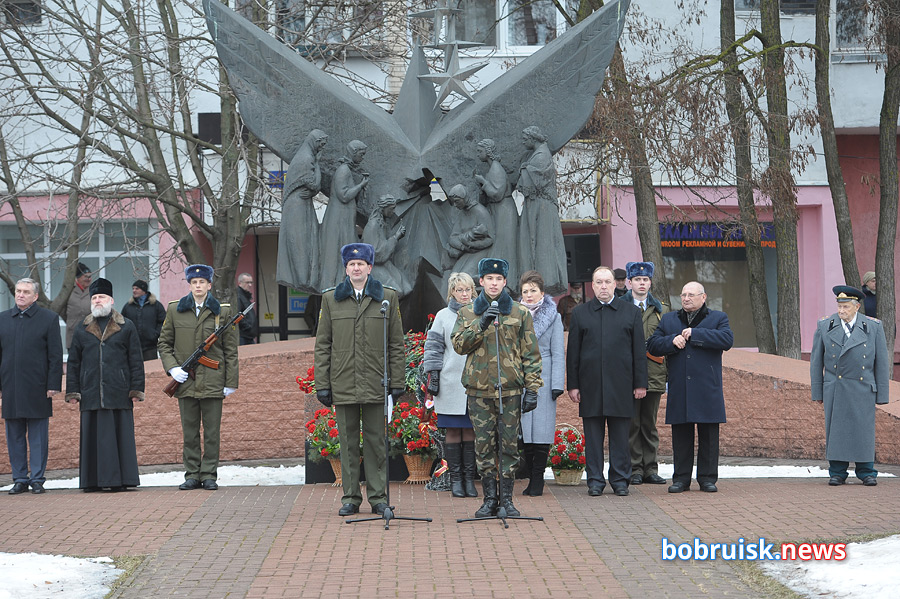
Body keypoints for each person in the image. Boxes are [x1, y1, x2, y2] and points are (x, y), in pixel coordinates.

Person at [314, 243, 405, 516]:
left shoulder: (387, 298)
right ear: (346, 269)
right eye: (351, 265)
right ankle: (351, 498)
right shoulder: (331, 299)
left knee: (378, 443)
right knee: (348, 442)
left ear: (369, 267)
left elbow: (396, 343)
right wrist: (323, 383)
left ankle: (378, 498)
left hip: (377, 382)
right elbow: (323, 344)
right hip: (343, 382)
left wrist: (397, 381)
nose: (356, 268)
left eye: (361, 264)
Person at [451, 258, 542, 518]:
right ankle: (490, 499)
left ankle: (507, 500)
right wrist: (480, 325)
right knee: (484, 447)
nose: (493, 283)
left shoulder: (519, 312)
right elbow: (458, 345)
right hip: (479, 393)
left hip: (510, 391)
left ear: (504, 282)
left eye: (498, 279)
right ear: (481, 282)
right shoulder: (468, 313)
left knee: (510, 447)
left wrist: (532, 388)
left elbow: (531, 354)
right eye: (488, 279)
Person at [566, 266, 647, 497]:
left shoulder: (630, 312)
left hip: (621, 385)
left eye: (607, 282)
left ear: (616, 284)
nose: (603, 286)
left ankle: (621, 480)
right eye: (599, 282)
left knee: (621, 437)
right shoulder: (581, 313)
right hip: (590, 385)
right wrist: (573, 385)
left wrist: (640, 383)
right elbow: (574, 352)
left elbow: (638, 351)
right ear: (592, 285)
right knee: (592, 437)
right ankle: (595, 481)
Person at [158, 264, 239, 491]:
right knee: (190, 432)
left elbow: (231, 349)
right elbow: (164, 344)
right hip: (186, 381)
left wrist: (231, 382)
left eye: (202, 282)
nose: (198, 286)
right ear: (189, 285)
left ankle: (209, 474)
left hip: (213, 379)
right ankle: (192, 474)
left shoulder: (221, 311)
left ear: (209, 285)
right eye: (194, 283)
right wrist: (173, 369)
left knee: (212, 433)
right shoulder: (175, 310)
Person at [647, 281, 733, 494]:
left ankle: (707, 479)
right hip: (681, 387)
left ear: (703, 297)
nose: (686, 298)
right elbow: (652, 344)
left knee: (709, 436)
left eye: (691, 295)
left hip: (707, 387)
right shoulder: (668, 319)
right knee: (681, 436)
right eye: (683, 294)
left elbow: (726, 340)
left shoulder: (718, 318)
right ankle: (681, 479)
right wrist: (671, 341)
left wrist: (697, 334)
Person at [65, 278, 144, 492]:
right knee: (93, 439)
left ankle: (121, 480)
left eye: (101, 297)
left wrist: (137, 389)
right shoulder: (82, 328)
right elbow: (73, 363)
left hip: (119, 391)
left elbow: (135, 360)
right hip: (90, 391)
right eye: (94, 297)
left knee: (120, 438)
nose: (98, 300)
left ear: (111, 300)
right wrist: (72, 390)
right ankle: (92, 481)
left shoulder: (126, 326)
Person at [810, 285, 889, 487]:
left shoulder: (873, 327)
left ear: (856, 307)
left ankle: (866, 472)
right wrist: (817, 391)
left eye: (845, 307)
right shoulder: (825, 326)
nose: (841, 311)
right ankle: (837, 471)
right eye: (839, 306)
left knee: (863, 430)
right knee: (835, 431)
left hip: (863, 388)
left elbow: (881, 362)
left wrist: (882, 394)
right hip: (835, 388)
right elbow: (816, 362)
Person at [0, 278, 63, 495]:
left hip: (38, 386)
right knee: (14, 436)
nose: (20, 295)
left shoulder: (49, 319)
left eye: (26, 292)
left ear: (35, 296)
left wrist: (53, 384)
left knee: (37, 437)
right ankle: (19, 479)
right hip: (10, 387)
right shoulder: (3, 319)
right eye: (18, 291)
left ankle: (37, 479)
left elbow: (55, 356)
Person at [422, 272, 479, 498]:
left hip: (476, 381)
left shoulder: (481, 313)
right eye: (459, 290)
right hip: (450, 382)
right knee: (454, 430)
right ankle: (456, 480)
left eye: (467, 290)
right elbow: (434, 347)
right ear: (452, 292)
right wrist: (433, 376)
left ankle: (469, 480)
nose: (464, 294)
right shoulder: (443, 316)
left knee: (472, 430)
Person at [621, 261, 669, 486]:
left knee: (649, 424)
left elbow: (668, 343)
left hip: (654, 373)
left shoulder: (662, 309)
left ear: (650, 282)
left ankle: (651, 468)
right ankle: (635, 468)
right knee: (632, 424)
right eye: (637, 279)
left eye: (645, 279)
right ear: (629, 282)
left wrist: (667, 375)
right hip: (627, 375)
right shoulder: (620, 307)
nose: (642, 283)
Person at [518, 270, 564, 497]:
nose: (528, 295)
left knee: (542, 430)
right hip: (519, 376)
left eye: (533, 290)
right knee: (525, 430)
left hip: (544, 377)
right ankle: (529, 475)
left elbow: (557, 352)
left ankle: (538, 479)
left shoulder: (554, 316)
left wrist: (557, 383)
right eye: (525, 291)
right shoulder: (514, 315)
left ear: (542, 293)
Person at [321, 140, 368, 289]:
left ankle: (343, 283)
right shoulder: (343, 170)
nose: (362, 158)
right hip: (339, 220)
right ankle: (335, 284)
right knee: (338, 251)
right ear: (353, 153)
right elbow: (344, 195)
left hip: (345, 218)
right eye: (361, 154)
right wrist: (361, 185)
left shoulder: (348, 169)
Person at [475, 138, 519, 285]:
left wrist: (483, 182)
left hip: (504, 211)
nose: (478, 154)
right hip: (498, 210)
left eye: (480, 151)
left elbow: (497, 193)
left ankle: (508, 281)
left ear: (488, 152)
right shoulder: (492, 167)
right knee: (498, 246)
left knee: (504, 246)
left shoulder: (496, 168)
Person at [121, 279, 167, 360]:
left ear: (144, 290)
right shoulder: (128, 306)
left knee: (151, 370)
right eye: (133, 288)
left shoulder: (156, 305)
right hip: (133, 346)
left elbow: (164, 322)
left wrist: (155, 334)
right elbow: (122, 322)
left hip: (150, 347)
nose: (134, 291)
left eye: (137, 288)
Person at [66, 262, 92, 349]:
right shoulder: (69, 291)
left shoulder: (93, 290)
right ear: (78, 278)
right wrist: (71, 322)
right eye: (86, 276)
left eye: (90, 276)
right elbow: (62, 310)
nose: (89, 279)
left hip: (91, 333)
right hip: (73, 334)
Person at [236, 273, 258, 345]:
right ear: (240, 283)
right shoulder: (238, 296)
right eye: (247, 282)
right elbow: (237, 315)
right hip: (243, 336)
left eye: (251, 282)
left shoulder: (245, 296)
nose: (250, 285)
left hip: (248, 335)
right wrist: (247, 327)